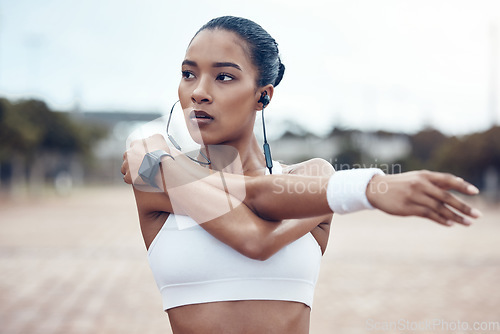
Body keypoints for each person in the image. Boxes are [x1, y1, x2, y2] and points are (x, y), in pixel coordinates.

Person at [121, 16, 481, 334]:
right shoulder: (153, 182)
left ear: (263, 96)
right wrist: (362, 189)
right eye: (188, 74)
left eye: (224, 76)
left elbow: (262, 220)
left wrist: (166, 166)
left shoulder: (312, 175)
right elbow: (254, 236)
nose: (198, 92)